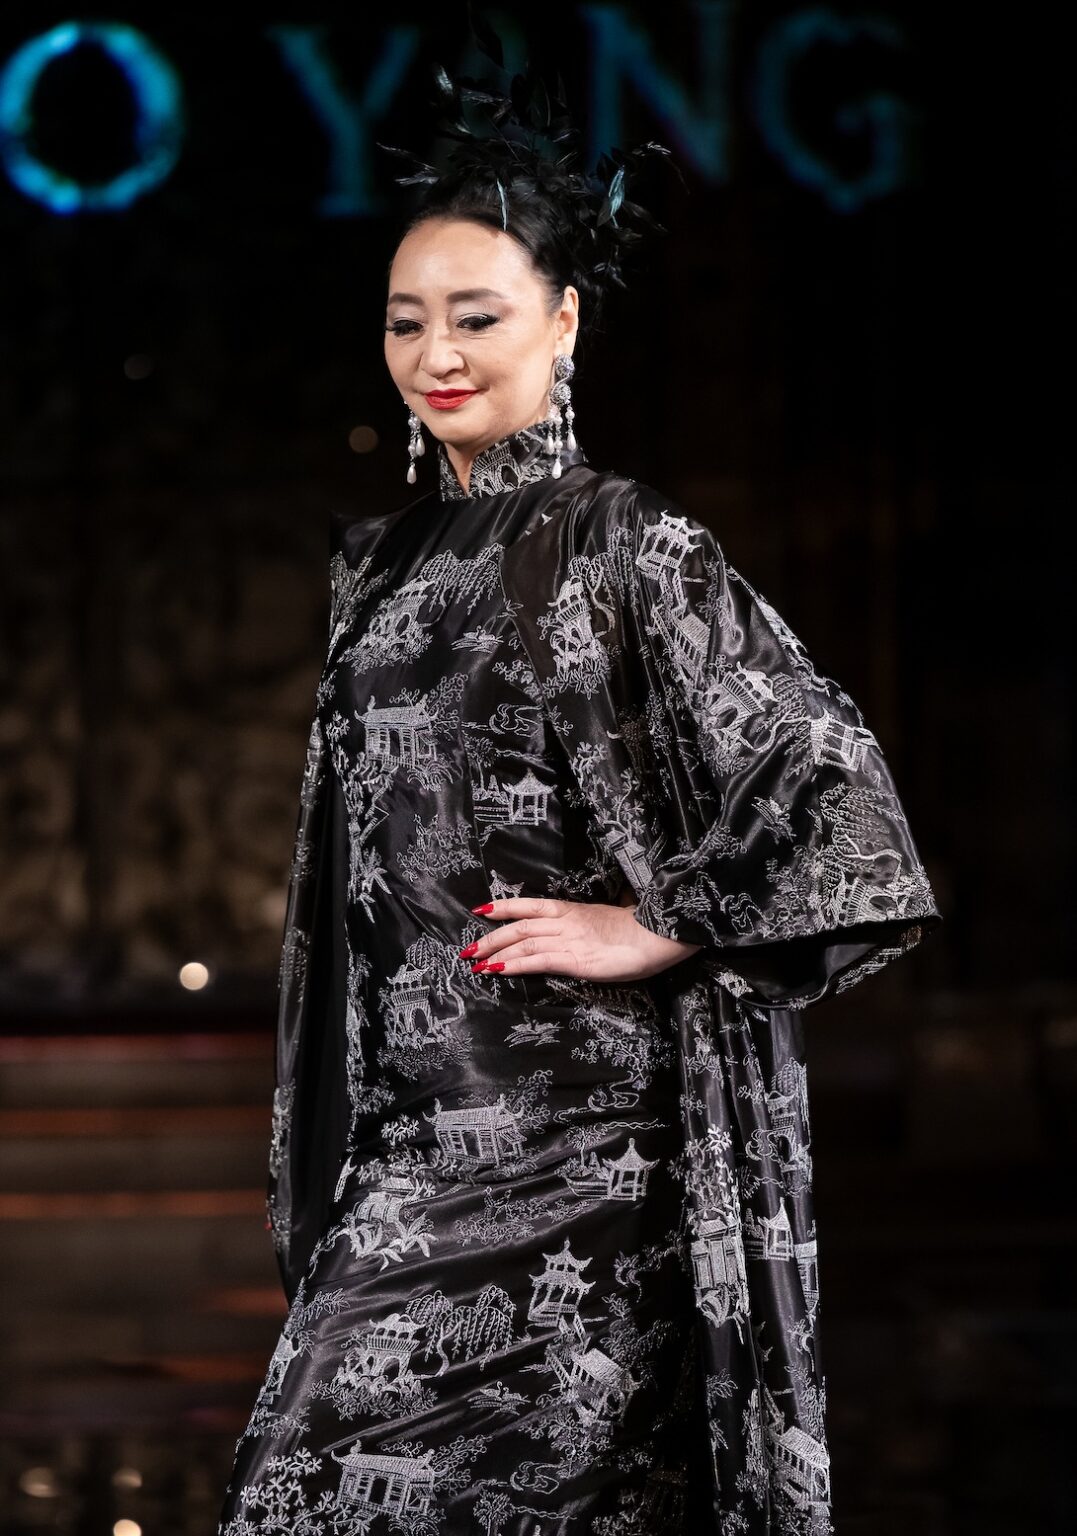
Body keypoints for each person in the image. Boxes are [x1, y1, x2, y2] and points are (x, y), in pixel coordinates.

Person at [217, 54, 941, 1536]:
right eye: (405, 320)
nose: (436, 351)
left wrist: (657, 921)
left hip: (593, 1150)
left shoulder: (625, 544)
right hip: (415, 1144)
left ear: (561, 323)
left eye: (476, 317)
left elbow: (836, 794)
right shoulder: (382, 570)